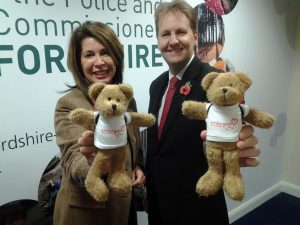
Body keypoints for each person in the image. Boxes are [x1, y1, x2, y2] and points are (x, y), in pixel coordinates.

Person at [145, 1, 259, 225]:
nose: (173, 41)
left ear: (195, 36)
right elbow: (158, 148)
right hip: (159, 204)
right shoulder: (156, 86)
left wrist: (241, 144)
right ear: (158, 40)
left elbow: (237, 134)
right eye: (165, 34)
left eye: (181, 32)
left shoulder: (215, 84)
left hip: (198, 209)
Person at [53, 21, 145, 225]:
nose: (99, 62)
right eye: (89, 55)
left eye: (105, 52)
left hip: (125, 207)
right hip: (88, 215)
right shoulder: (69, 104)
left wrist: (137, 165)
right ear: (78, 62)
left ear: (116, 57)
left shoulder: (126, 101)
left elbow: (132, 144)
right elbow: (72, 160)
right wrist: (93, 163)